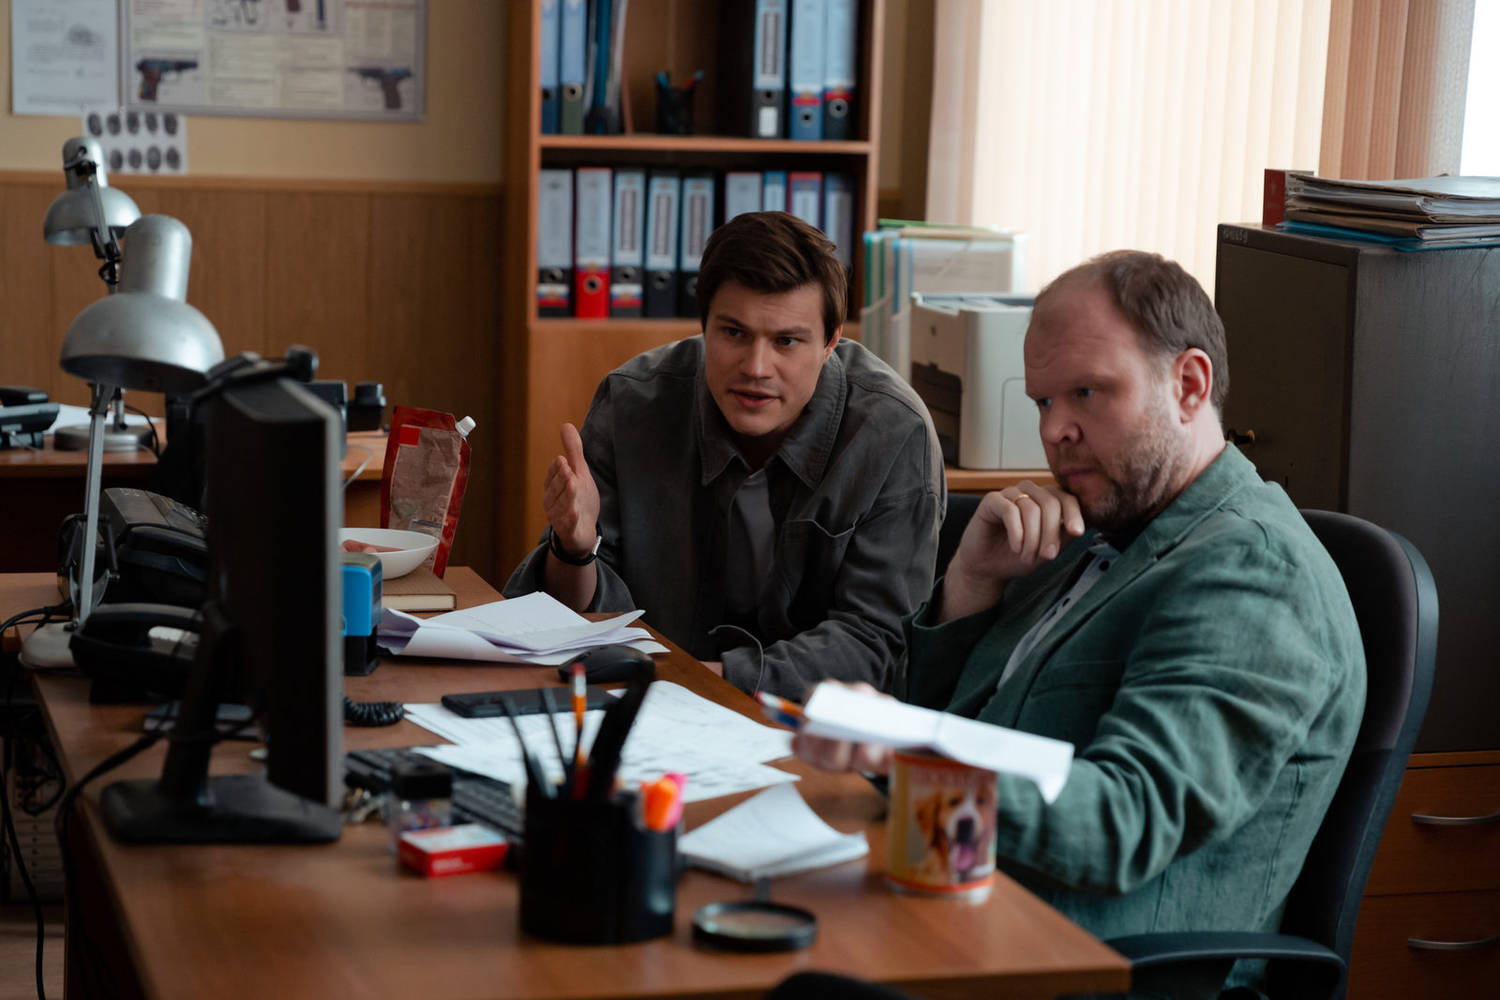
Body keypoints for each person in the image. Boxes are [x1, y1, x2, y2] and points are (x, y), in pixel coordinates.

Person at [795, 250, 1366, 994]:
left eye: (1087, 393)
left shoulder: (1254, 574)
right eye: (1042, 402)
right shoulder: (1095, 530)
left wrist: (906, 752)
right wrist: (970, 585)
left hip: (1082, 967)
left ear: (1189, 386)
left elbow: (1128, 818)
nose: (1056, 430)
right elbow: (953, 721)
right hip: (952, 905)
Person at [504, 211, 944, 698]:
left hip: (811, 724)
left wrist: (705, 681)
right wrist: (574, 550)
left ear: (830, 342)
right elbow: (565, 627)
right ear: (704, 325)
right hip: (643, 709)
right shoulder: (632, 404)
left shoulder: (893, 432)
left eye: (786, 341)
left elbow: (876, 640)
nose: (756, 367)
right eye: (733, 333)